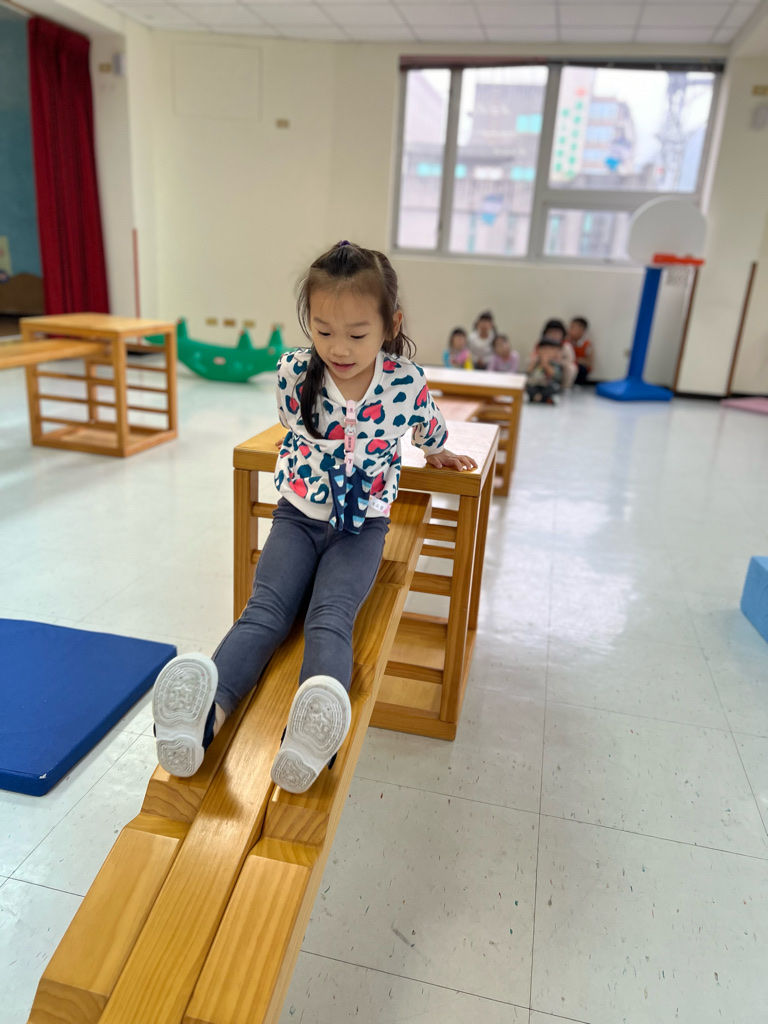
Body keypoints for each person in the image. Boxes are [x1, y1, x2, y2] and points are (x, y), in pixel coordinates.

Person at [151, 241, 477, 795]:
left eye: (357, 334)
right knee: (264, 613)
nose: (338, 348)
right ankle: (204, 719)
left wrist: (438, 451)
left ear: (391, 325)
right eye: (323, 331)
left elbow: (429, 427)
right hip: (297, 517)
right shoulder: (294, 372)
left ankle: (308, 741)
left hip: (361, 528)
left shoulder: (405, 382)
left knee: (330, 617)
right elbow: (291, 425)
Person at [540, 318, 577, 389]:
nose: (554, 335)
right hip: (543, 366)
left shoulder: (565, 345)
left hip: (559, 367)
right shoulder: (542, 344)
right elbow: (534, 356)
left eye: (557, 332)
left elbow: (571, 360)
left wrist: (558, 361)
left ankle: (565, 388)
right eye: (551, 332)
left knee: (572, 368)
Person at [526, 338, 563, 404]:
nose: (547, 353)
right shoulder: (535, 361)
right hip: (535, 384)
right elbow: (528, 371)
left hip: (547, 385)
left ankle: (539, 397)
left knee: (554, 388)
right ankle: (539, 397)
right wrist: (534, 362)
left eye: (550, 350)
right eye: (544, 350)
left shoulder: (554, 363)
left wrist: (545, 364)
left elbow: (555, 375)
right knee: (527, 387)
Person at [566, 316, 593, 385]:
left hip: (579, 369)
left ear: (582, 330)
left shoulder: (587, 344)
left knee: (581, 369)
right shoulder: (566, 342)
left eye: (573, 327)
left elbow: (589, 363)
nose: (569, 329)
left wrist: (579, 360)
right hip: (568, 365)